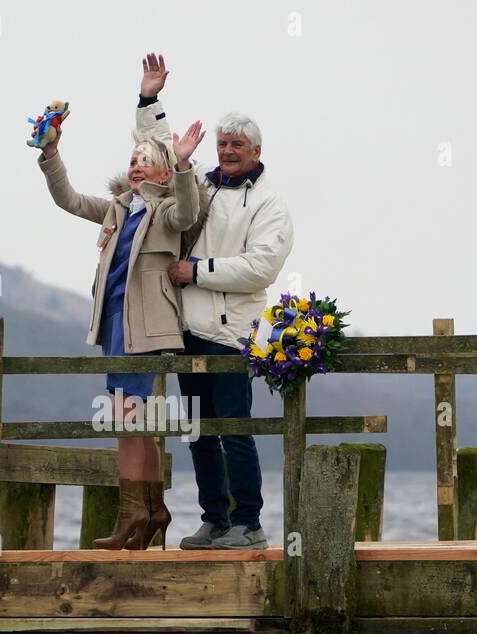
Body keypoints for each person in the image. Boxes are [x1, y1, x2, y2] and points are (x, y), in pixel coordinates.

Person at [134, 53, 295, 550]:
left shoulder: (271, 204)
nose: (227, 151)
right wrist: (149, 98)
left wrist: (196, 271)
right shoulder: (198, 182)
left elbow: (260, 268)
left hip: (231, 333)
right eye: (223, 144)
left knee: (236, 430)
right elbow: (163, 149)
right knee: (199, 431)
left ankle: (249, 522)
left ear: (257, 150)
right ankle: (215, 519)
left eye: (237, 145)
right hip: (187, 330)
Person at [37, 110, 205, 549]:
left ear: (163, 172)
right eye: (132, 159)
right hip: (116, 323)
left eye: (145, 160)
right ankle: (151, 509)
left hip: (147, 325)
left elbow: (188, 214)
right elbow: (68, 200)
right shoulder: (117, 208)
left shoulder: (166, 207)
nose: (135, 165)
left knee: (124, 418)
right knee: (138, 422)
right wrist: (51, 154)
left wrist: (184, 166)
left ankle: (132, 514)